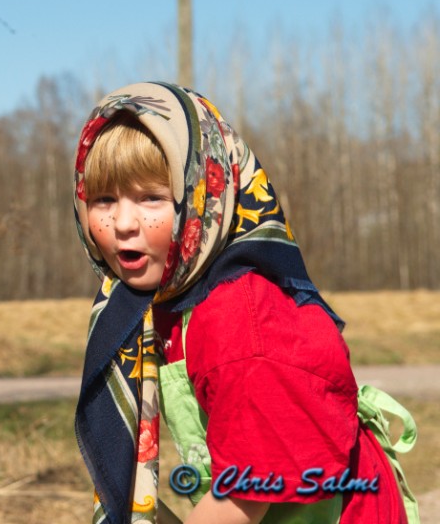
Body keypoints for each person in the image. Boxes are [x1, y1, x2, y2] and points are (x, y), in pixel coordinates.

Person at [72, 81, 418, 524]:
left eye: (152, 198)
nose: (122, 222)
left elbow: (247, 492)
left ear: (202, 197)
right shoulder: (158, 304)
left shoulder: (237, 319)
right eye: (103, 199)